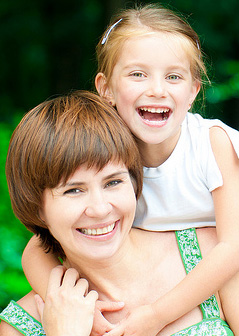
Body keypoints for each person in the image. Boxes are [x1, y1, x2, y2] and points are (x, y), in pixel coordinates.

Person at [20, 3, 239, 335]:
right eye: (138, 74)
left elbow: (233, 246)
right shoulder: (111, 159)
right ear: (106, 88)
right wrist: (68, 299)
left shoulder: (211, 144)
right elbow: (38, 246)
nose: (157, 89)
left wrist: (157, 314)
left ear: (193, 91)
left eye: (174, 76)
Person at [0, 90, 236, 336]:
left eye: (113, 182)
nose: (100, 209)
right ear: (37, 207)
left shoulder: (211, 256)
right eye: (73, 190)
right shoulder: (21, 327)